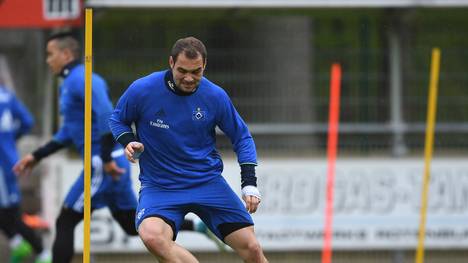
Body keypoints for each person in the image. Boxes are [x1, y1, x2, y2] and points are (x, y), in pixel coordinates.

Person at [13, 32, 221, 263]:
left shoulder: (82, 79)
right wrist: (37, 155)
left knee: (66, 220)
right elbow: (68, 132)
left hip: (103, 161)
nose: (47, 60)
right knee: (131, 224)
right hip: (108, 161)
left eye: (50, 54)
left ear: (66, 54)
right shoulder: (69, 83)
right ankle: (198, 225)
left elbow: (106, 115)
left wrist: (105, 158)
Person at [109, 36, 268, 263]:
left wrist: (249, 182)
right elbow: (117, 120)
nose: (189, 78)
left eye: (196, 72)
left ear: (205, 66)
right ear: (171, 62)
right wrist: (128, 140)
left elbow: (241, 137)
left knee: (252, 249)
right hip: (161, 186)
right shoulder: (143, 89)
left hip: (207, 183)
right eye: (183, 70)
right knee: (152, 237)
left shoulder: (215, 96)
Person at [0, 84, 51, 263]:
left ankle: (41, 252)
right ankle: (19, 244)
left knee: (10, 213)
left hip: (2, 163)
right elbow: (27, 121)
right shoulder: (7, 95)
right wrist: (10, 137)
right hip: (8, 158)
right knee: (9, 212)